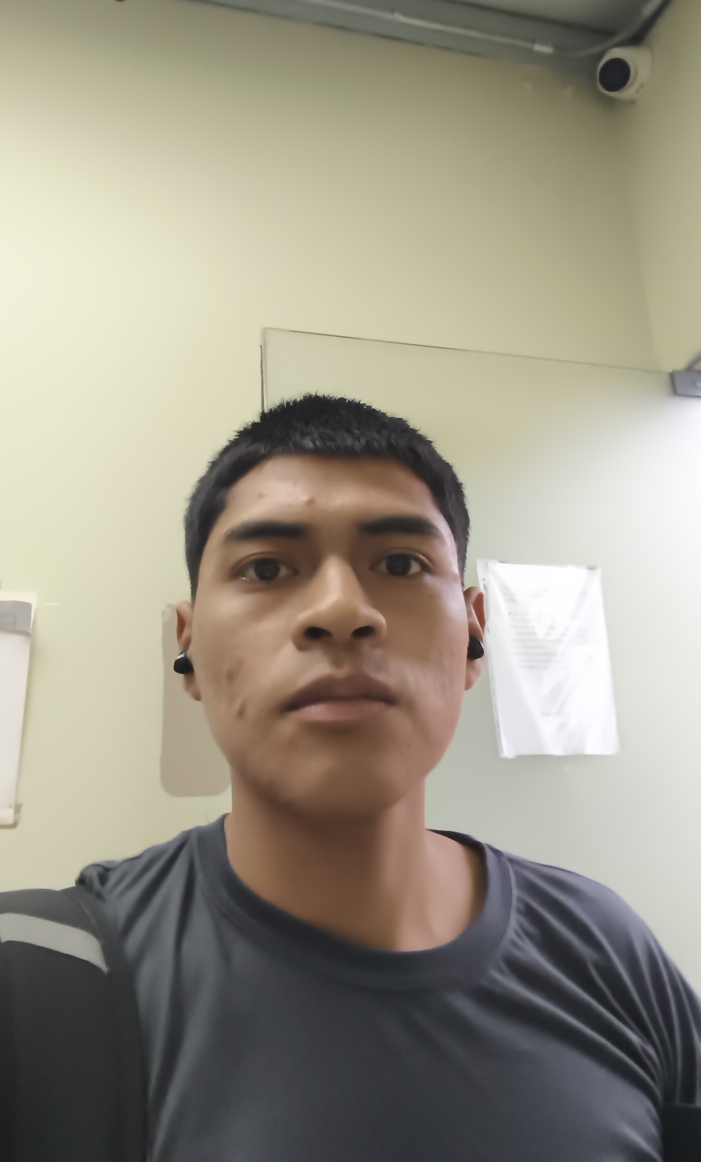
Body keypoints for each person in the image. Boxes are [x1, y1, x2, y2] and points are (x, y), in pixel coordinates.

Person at [77, 393, 700, 1161]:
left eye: (401, 564)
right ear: (188, 650)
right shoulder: (54, 979)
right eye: (266, 568)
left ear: (475, 634)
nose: (342, 610)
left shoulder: (606, 951)